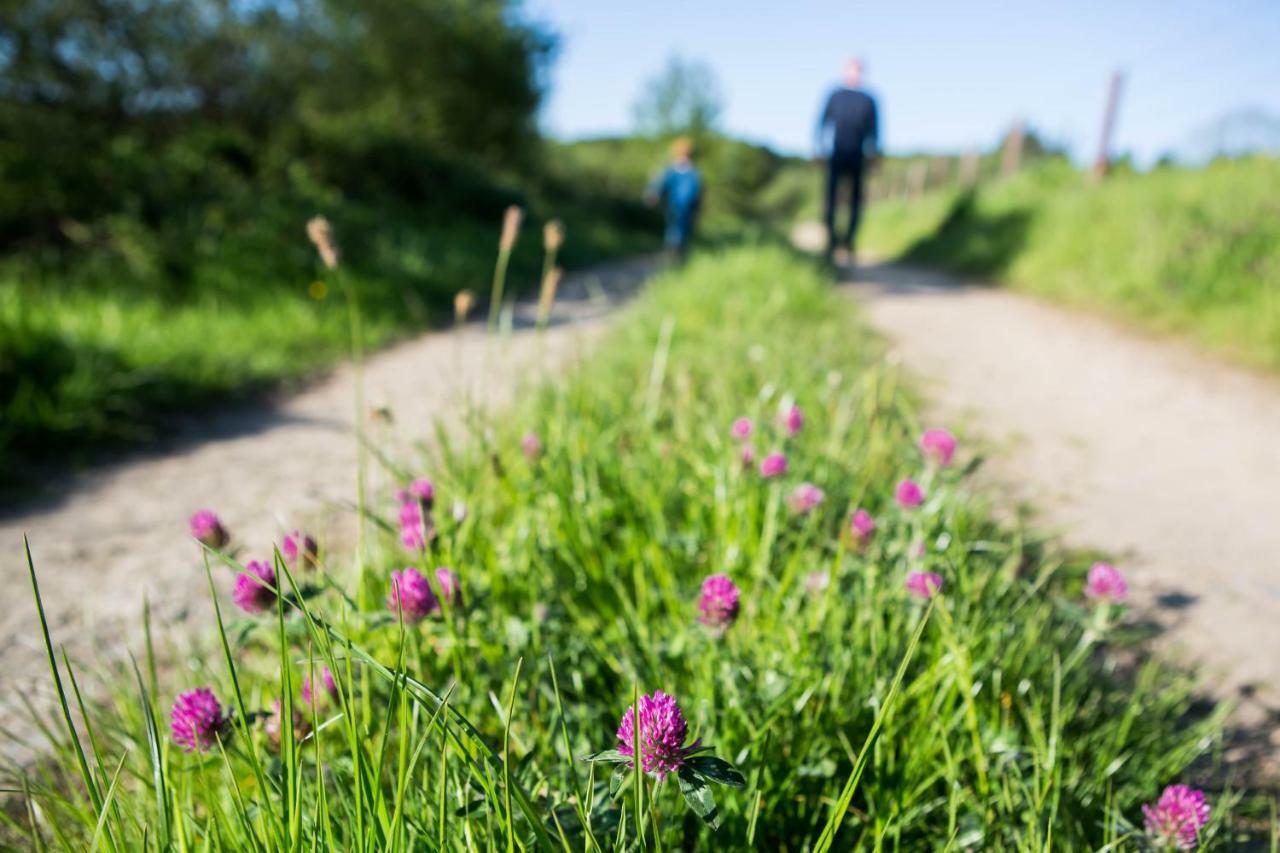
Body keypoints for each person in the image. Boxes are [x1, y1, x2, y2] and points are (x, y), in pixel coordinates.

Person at [816, 59, 880, 263]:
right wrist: (819, 149)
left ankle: (850, 240)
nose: (854, 74)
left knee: (856, 202)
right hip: (837, 153)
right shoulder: (835, 95)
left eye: (858, 71)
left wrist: (874, 154)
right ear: (845, 72)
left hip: (858, 155)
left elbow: (875, 131)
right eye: (851, 70)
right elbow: (822, 123)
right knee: (831, 198)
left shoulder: (869, 100)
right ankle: (832, 240)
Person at [645, 136, 703, 261]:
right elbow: (660, 185)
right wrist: (654, 193)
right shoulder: (685, 172)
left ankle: (677, 254)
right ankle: (675, 254)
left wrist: (654, 193)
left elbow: (660, 185)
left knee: (678, 230)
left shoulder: (686, 173)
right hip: (676, 208)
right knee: (676, 230)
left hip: (683, 208)